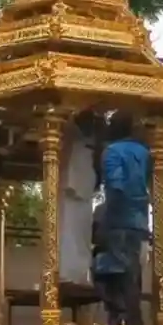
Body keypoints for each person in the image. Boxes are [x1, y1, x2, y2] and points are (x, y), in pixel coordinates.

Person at [98, 111, 150, 325]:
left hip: (119, 223)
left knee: (115, 280)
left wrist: (104, 221)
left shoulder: (112, 152)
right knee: (132, 279)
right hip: (139, 224)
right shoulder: (144, 152)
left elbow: (116, 187)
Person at [60, 111, 99, 287]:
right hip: (73, 189)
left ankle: (79, 274)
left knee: (80, 233)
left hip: (81, 192)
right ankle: (68, 274)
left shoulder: (87, 146)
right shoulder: (75, 142)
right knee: (68, 232)